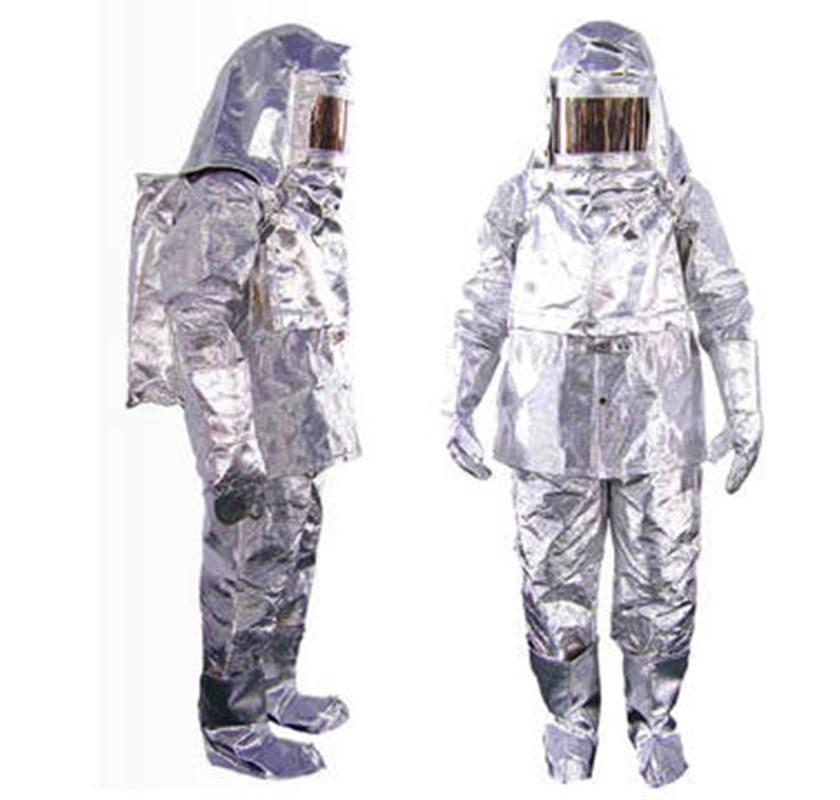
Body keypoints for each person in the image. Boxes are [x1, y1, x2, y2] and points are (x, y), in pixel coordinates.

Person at [446, 20, 761, 787]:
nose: (600, 131)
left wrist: (745, 405)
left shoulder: (678, 202)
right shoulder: (521, 201)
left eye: (618, 111)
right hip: (548, 430)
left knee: (664, 578)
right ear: (555, 109)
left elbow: (724, 305)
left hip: (659, 430)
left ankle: (654, 719)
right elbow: (482, 305)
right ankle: (569, 720)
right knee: (553, 581)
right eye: (586, 111)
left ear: (648, 110)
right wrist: (458, 399)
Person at [127, 24, 360, 778]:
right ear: (270, 106)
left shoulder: (287, 200)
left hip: (293, 424)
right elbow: (200, 323)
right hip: (251, 433)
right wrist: (231, 454)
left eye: (333, 113)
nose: (327, 131)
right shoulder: (226, 194)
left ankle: (274, 687)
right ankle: (231, 722)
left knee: (290, 550)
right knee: (245, 564)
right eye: (314, 110)